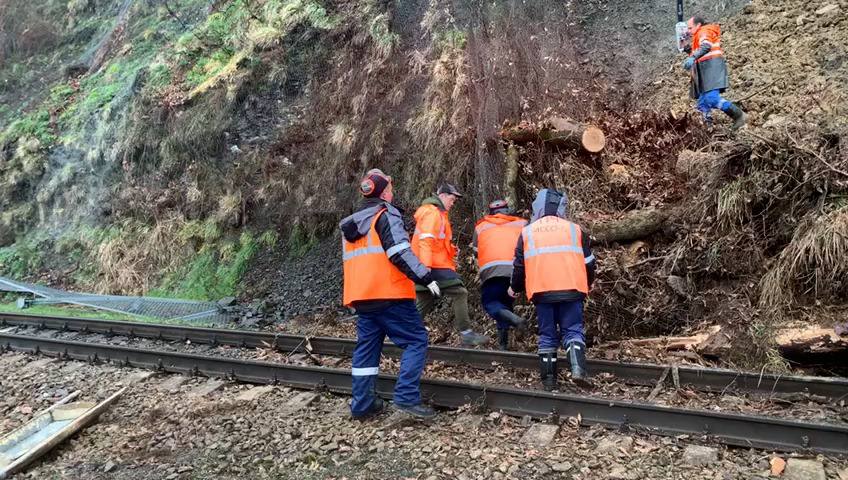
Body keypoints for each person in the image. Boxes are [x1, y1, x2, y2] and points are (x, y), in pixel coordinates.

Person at [339, 169, 442, 419]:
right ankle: (406, 397)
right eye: (390, 189)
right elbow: (399, 252)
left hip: (361, 297)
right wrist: (425, 277)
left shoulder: (352, 224)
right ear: (385, 192)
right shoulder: (385, 215)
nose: (392, 193)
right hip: (390, 294)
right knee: (416, 339)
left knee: (367, 348)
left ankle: (362, 405)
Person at [509, 189, 596, 391]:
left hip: (542, 291)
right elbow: (589, 263)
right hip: (572, 288)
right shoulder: (575, 229)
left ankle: (549, 381)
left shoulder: (527, 232)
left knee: (547, 334)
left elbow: (519, 266)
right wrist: (588, 284)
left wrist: (515, 288)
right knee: (573, 330)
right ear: (561, 207)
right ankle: (578, 369)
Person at [412, 183, 489, 346]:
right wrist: (426, 268)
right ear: (443, 196)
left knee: (425, 299)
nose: (453, 203)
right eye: (452, 199)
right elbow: (425, 241)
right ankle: (466, 333)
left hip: (429, 264)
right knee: (460, 292)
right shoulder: (433, 213)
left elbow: (437, 242)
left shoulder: (436, 213)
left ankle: (405, 331)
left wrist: (452, 250)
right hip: (432, 266)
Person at [472, 199, 528, 350]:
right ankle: (503, 346)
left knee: (490, 303)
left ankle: (515, 320)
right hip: (515, 270)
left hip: (492, 271)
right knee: (504, 304)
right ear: (507, 210)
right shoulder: (522, 224)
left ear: (491, 213)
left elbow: (476, 252)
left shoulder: (481, 226)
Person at [682, 15, 747, 130]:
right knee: (702, 102)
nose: (688, 31)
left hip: (711, 68)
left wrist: (692, 57)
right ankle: (707, 128)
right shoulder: (698, 35)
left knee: (711, 98)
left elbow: (706, 46)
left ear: (698, 25)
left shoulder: (704, 31)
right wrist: (688, 50)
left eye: (690, 28)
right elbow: (699, 53)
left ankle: (739, 115)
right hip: (705, 70)